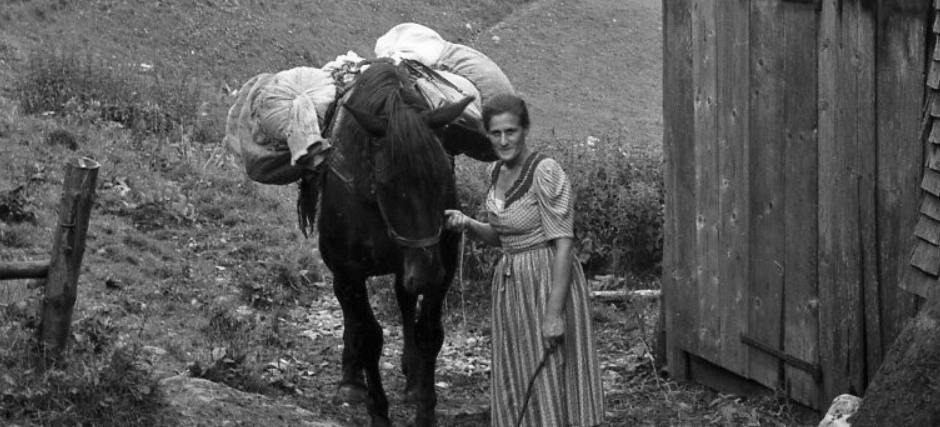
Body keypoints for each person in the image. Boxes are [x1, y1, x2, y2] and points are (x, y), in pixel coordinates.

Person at [445, 94, 605, 427]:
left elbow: (563, 243)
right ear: (487, 135)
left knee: (552, 372)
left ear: (525, 129)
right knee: (519, 371)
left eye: (511, 131)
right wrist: (468, 224)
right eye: (495, 133)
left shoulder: (544, 172)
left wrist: (553, 314)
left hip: (548, 283)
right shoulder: (496, 171)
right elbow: (503, 236)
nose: (503, 141)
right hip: (512, 290)